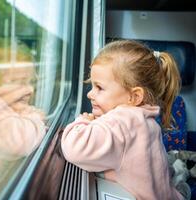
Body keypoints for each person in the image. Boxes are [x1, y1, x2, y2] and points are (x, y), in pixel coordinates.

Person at [61, 40, 186, 199]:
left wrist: (83, 121)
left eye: (99, 87)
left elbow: (75, 149)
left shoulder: (123, 120)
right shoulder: (146, 121)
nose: (89, 94)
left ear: (134, 97)